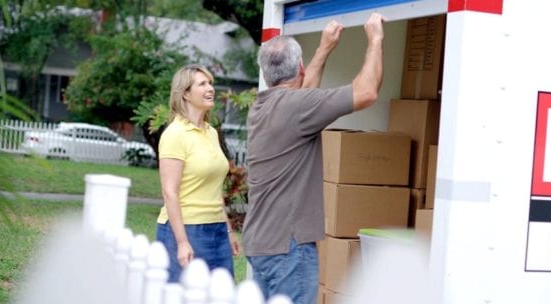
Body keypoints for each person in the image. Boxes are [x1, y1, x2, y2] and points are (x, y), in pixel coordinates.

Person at [242, 13, 386, 304]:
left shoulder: (263, 106)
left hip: (262, 243)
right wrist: (375, 40)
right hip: (288, 248)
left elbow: (303, 92)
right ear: (299, 67)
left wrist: (324, 49)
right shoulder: (296, 107)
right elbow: (366, 92)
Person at [156, 64, 240, 283]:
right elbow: (169, 192)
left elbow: (214, 189)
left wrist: (228, 232)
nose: (210, 88)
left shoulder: (211, 132)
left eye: (210, 83)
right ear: (185, 93)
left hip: (217, 231)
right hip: (187, 229)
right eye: (202, 84)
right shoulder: (175, 134)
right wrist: (182, 242)